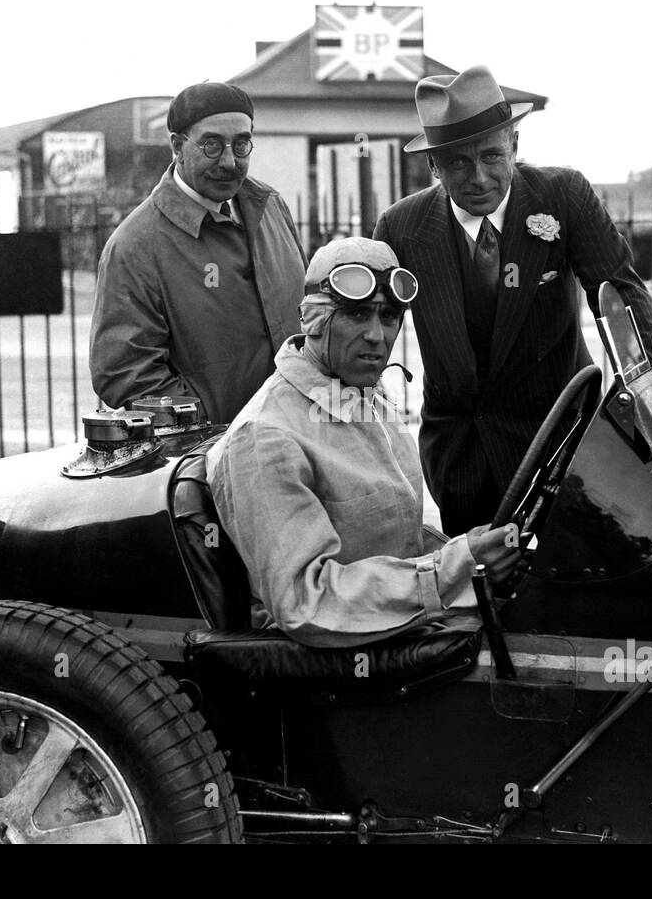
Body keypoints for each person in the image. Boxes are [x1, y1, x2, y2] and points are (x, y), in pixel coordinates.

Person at [375, 65, 652, 535]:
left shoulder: (563, 195)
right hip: (460, 458)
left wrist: (650, 399)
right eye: (456, 163)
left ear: (515, 145)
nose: (478, 177)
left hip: (559, 445)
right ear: (432, 167)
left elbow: (620, 294)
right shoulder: (400, 227)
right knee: (475, 598)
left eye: (492, 156)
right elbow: (369, 329)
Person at [206, 237, 520, 648]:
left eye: (389, 316)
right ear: (313, 321)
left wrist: (472, 554)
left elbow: (396, 541)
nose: (377, 335)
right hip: (330, 668)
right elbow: (304, 602)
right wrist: (453, 569)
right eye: (356, 314)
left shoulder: (365, 397)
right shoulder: (265, 437)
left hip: (398, 626)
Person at [89, 81, 306, 422]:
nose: (229, 161)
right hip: (212, 455)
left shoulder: (271, 207)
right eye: (211, 145)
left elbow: (309, 318)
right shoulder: (135, 246)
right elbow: (125, 376)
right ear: (177, 146)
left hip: (301, 436)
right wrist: (210, 429)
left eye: (242, 144)